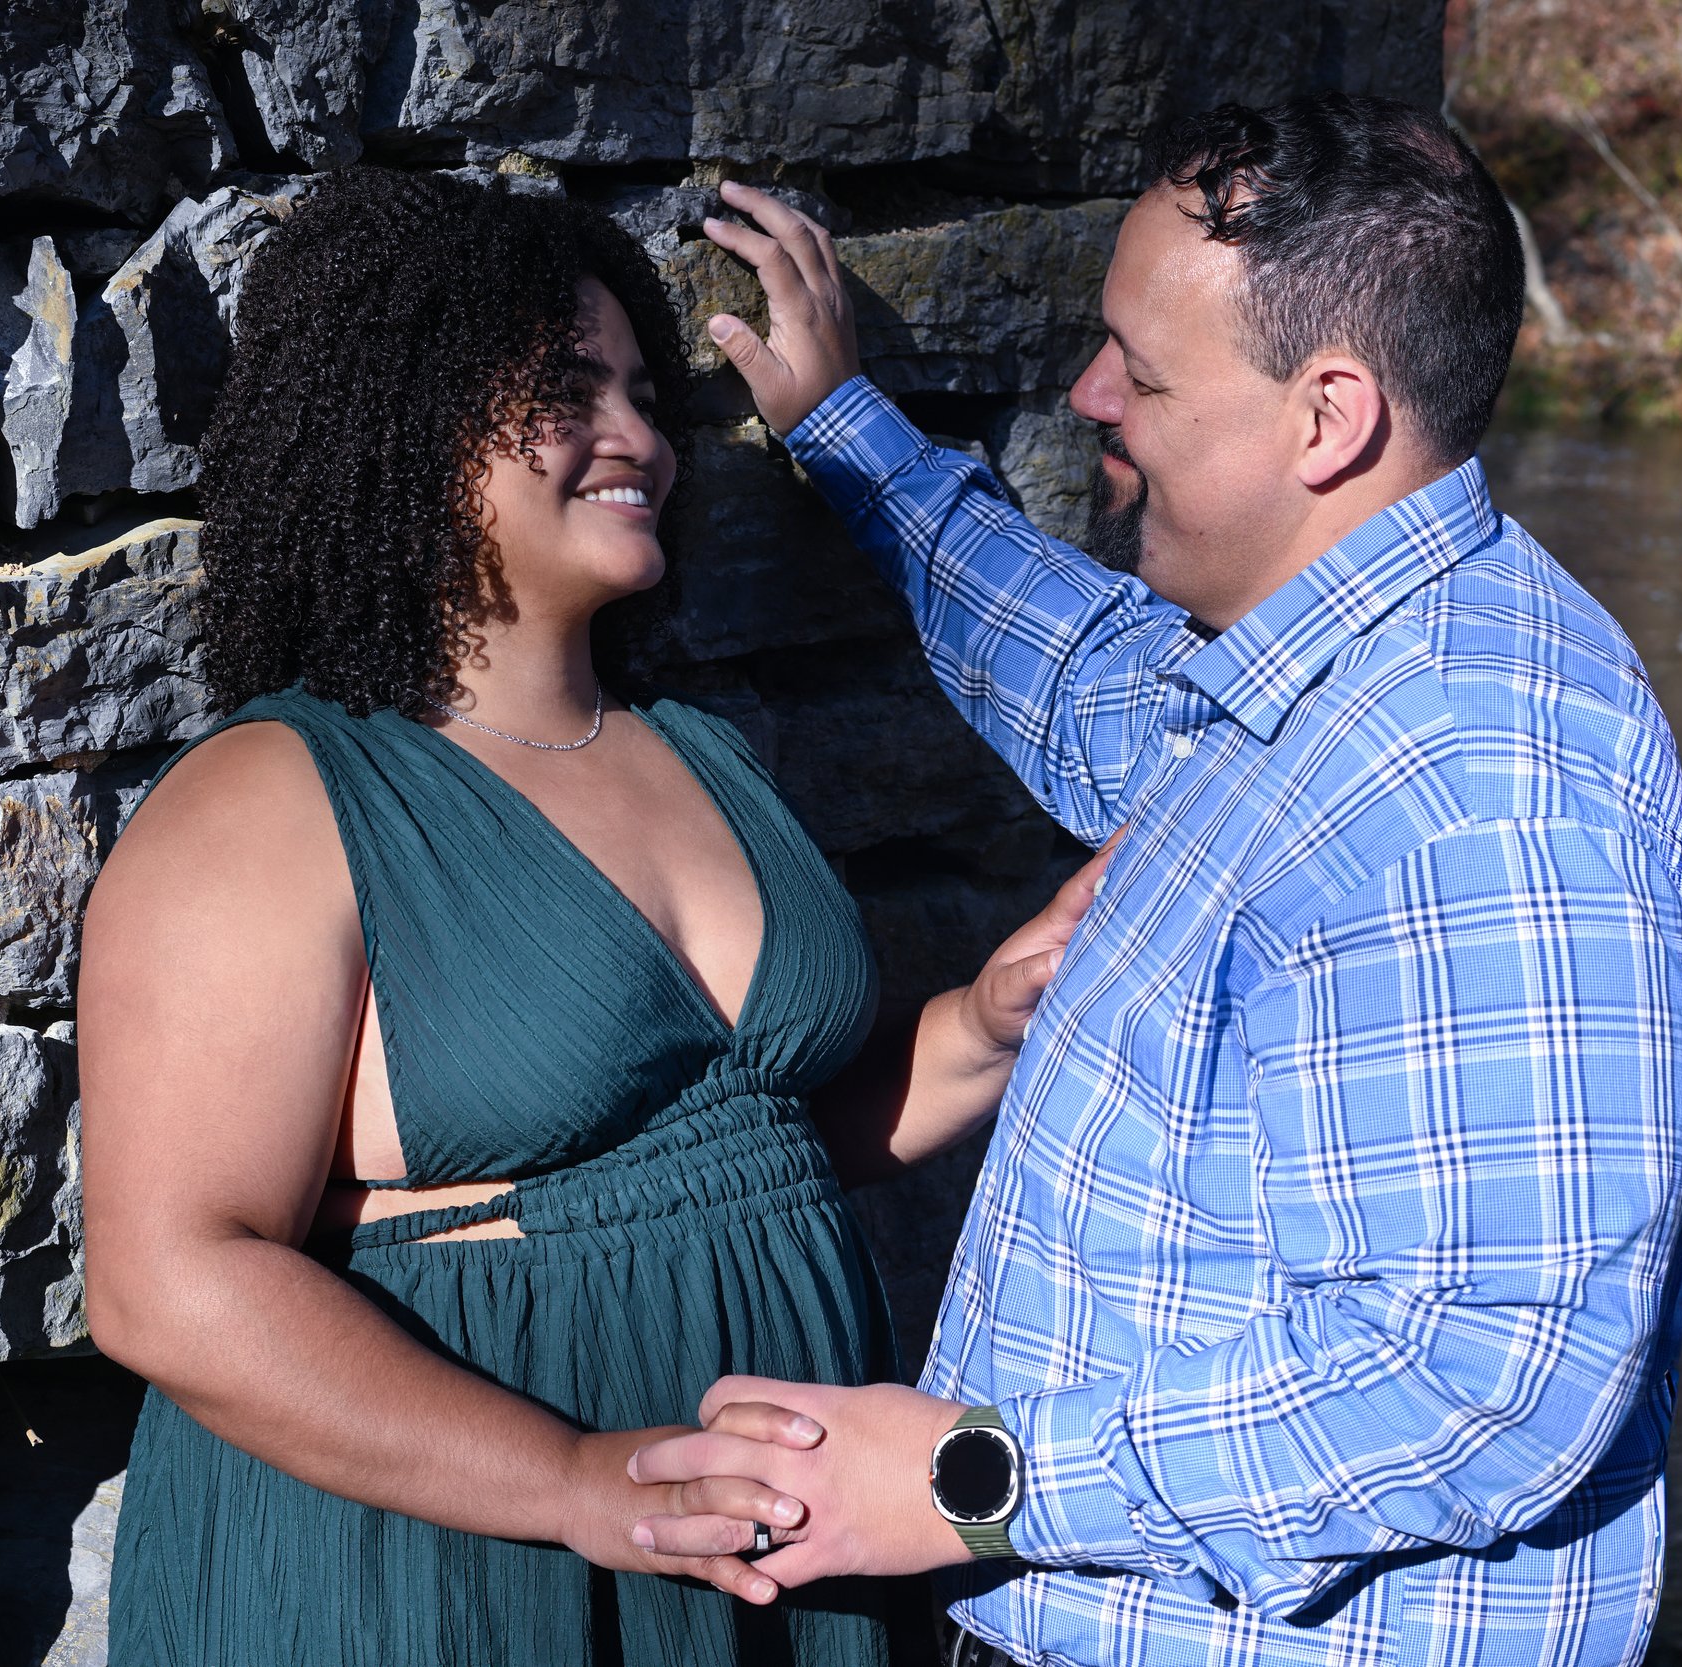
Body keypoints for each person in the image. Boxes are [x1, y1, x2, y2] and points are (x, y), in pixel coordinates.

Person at [630, 96, 1682, 1667]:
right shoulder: (1322, 664)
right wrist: (849, 435)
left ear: (1327, 418)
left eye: (1140, 372)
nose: (1089, 394)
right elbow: (1090, 684)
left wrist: (961, 1484)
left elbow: (1486, 1382)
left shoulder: (1482, 798)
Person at [77, 167, 1107, 1667]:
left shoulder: (699, 750)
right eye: (570, 393)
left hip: (766, 1549)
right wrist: (569, 1482)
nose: (640, 439)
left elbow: (738, 1152)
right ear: (407, 419)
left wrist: (982, 1028)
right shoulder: (273, 801)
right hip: (442, 1574)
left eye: (645, 394)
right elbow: (168, 1284)